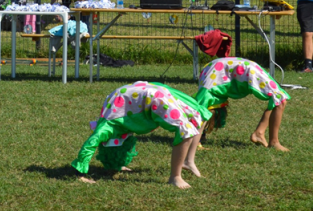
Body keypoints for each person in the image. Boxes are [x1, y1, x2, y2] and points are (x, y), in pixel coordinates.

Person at [71, 81, 210, 189]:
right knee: (191, 123)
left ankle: (180, 170)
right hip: (145, 93)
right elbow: (91, 144)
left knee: (188, 127)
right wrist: (80, 173)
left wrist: (81, 173)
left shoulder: (110, 125)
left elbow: (91, 143)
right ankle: (177, 174)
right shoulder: (110, 125)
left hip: (150, 95)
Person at [194, 57, 290, 152]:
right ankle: (273, 142)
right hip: (219, 69)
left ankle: (259, 133)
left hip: (215, 67)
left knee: (278, 99)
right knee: (280, 99)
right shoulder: (256, 74)